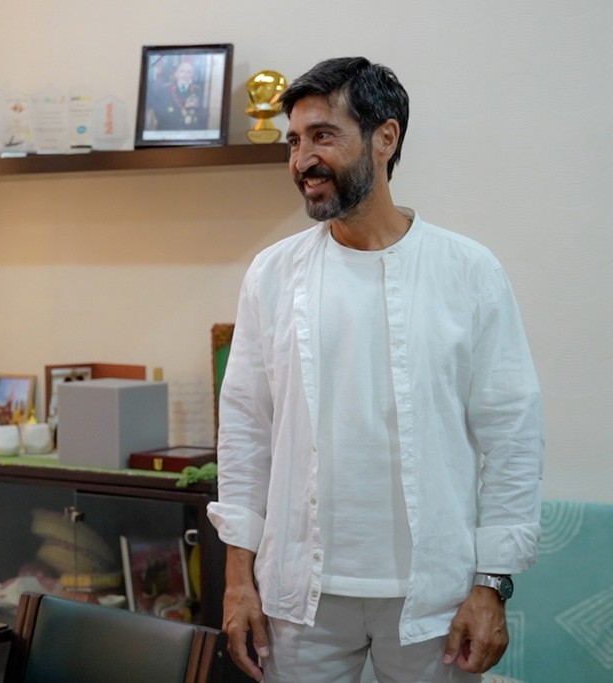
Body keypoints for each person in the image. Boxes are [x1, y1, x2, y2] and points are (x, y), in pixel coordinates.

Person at [207, 57, 543, 683]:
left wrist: (491, 584)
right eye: (294, 141)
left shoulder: (468, 272)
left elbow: (512, 436)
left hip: (434, 598)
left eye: (323, 136)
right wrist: (237, 581)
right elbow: (246, 433)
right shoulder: (272, 274)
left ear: (385, 138)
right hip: (297, 596)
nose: (302, 160)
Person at [148, 59, 208, 130]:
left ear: (192, 76)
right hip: (169, 129)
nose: (185, 75)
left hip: (189, 131)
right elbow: (159, 113)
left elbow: (200, 114)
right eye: (182, 71)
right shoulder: (165, 90)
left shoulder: (197, 91)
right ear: (175, 74)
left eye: (188, 72)